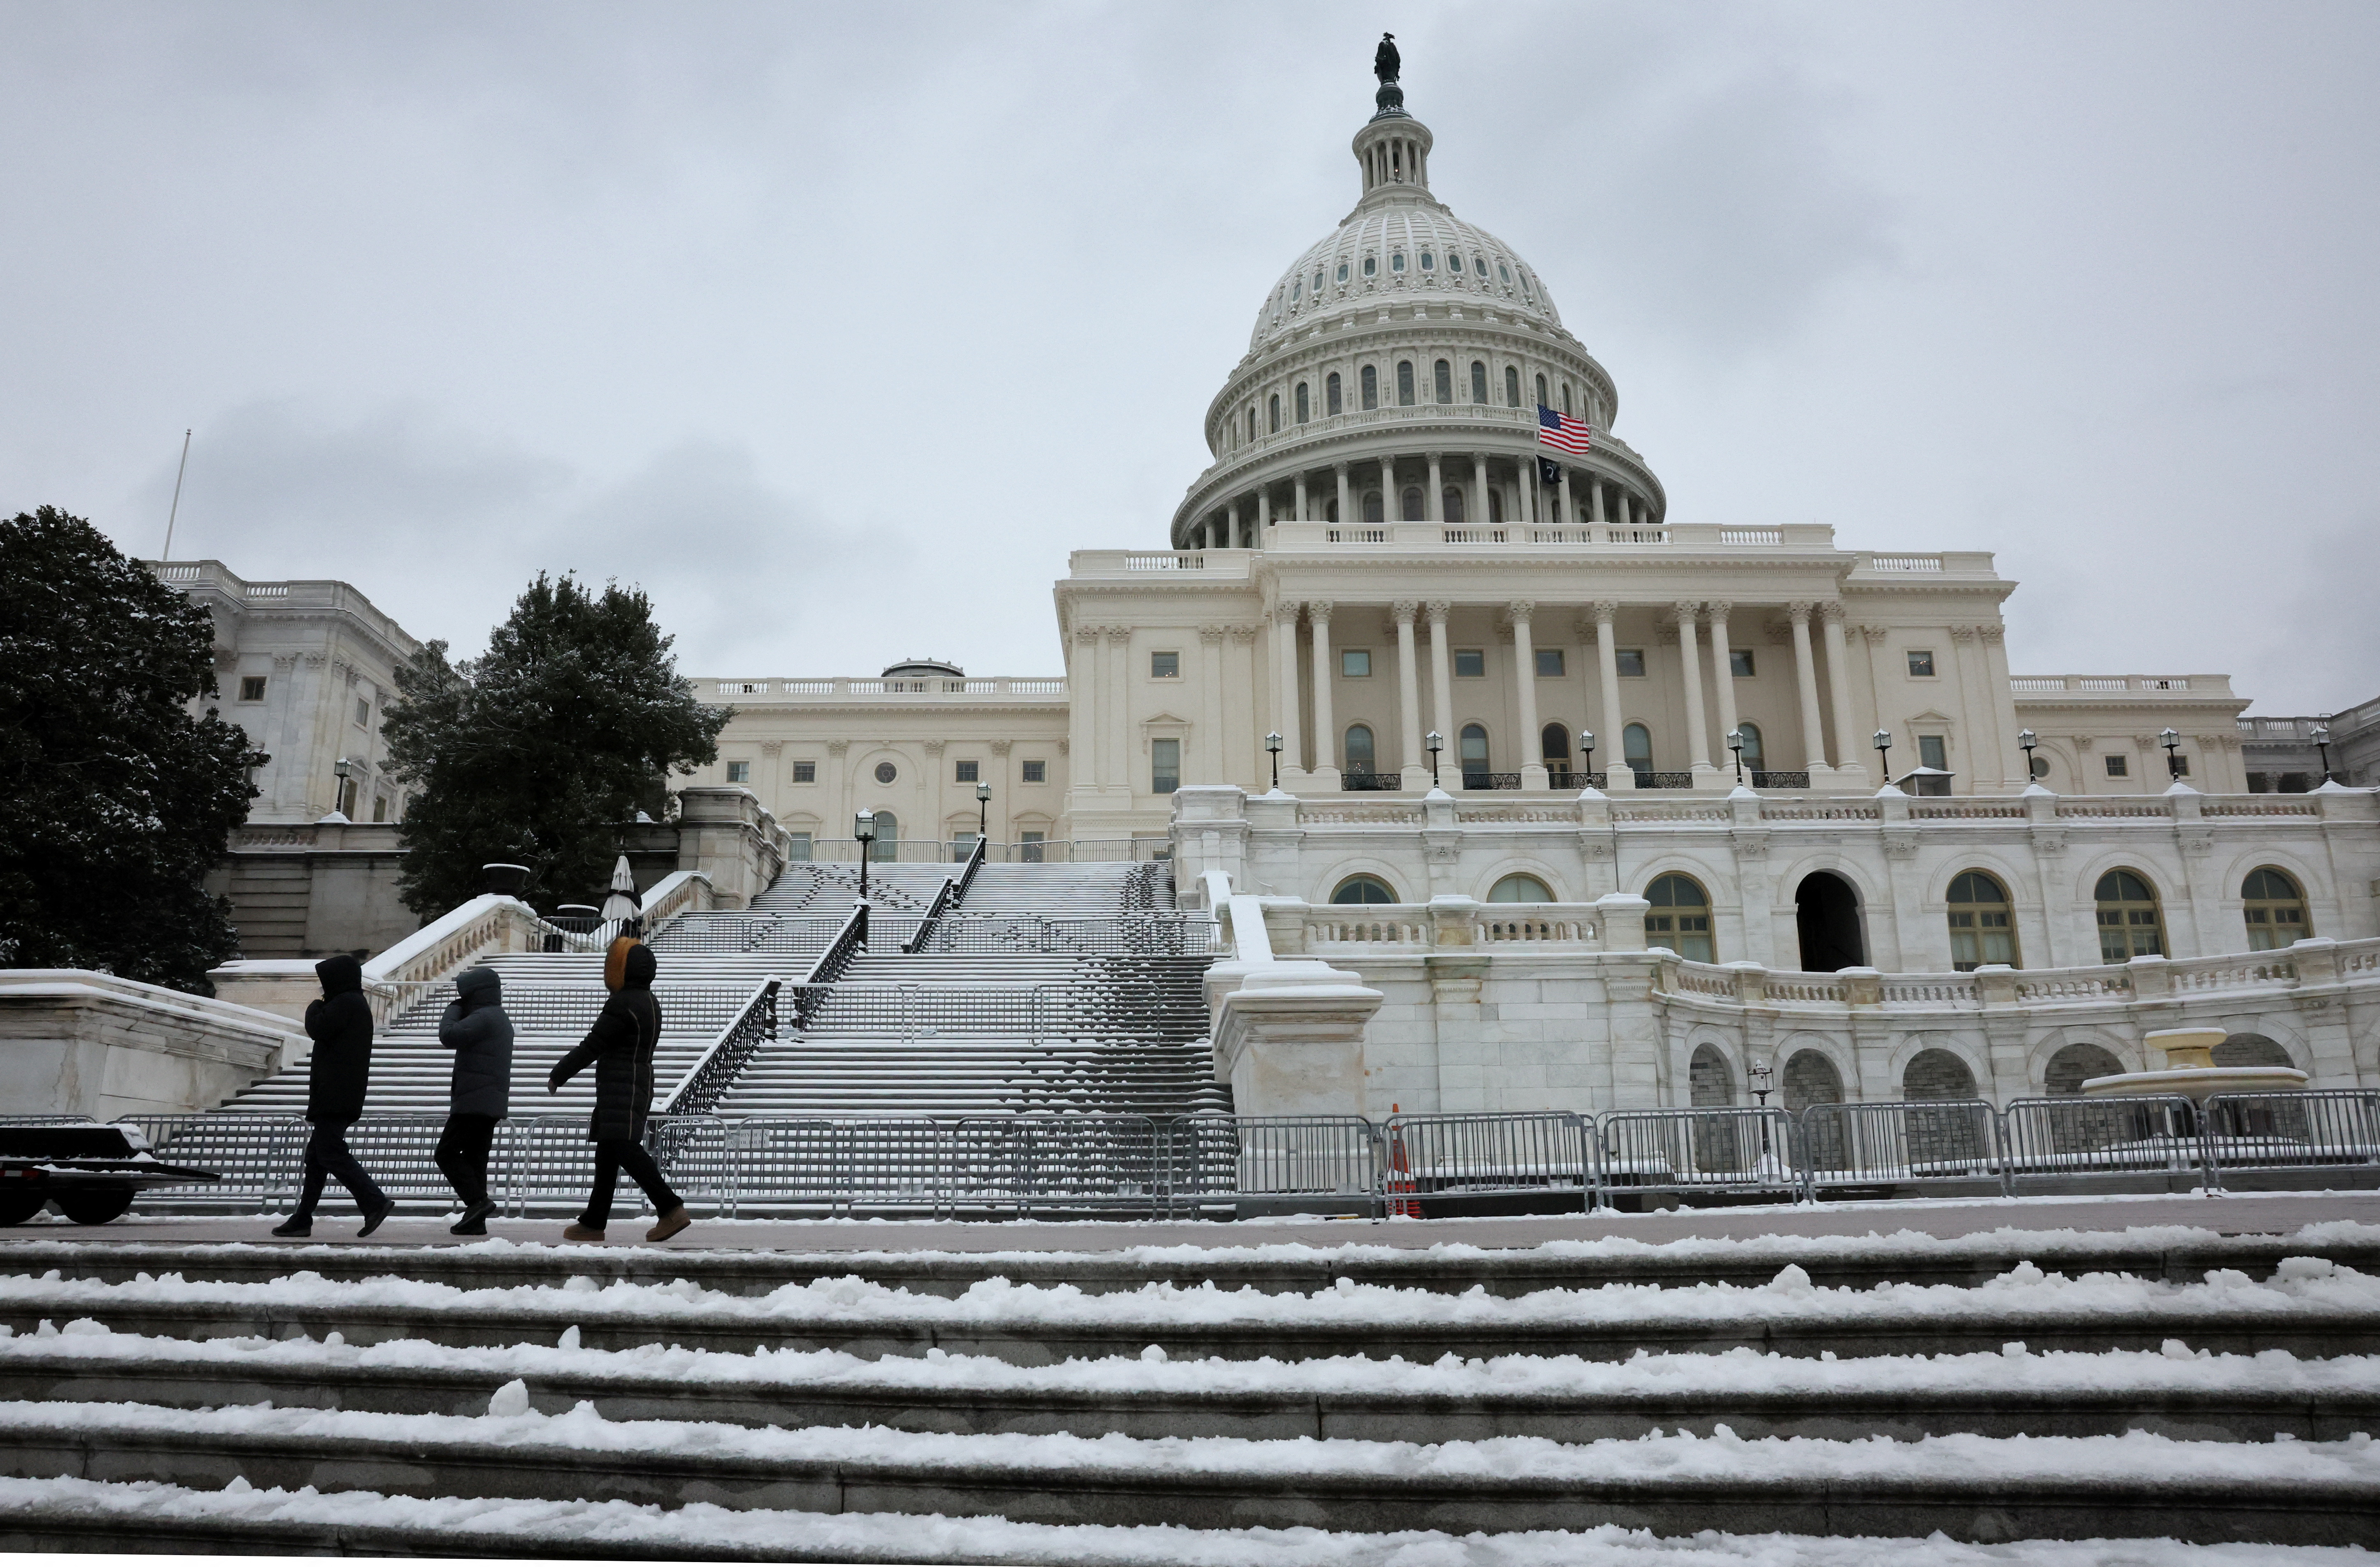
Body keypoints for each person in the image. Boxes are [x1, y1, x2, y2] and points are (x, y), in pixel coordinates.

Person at [547, 938, 690, 1243]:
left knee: (625, 1147)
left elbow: (593, 1044)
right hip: (633, 1082)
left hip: (620, 1084)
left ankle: (670, 1207)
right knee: (608, 1152)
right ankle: (594, 1220)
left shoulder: (623, 1003)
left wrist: (560, 1073)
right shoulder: (648, 1000)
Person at [272, 954, 392, 1238]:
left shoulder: (345, 1003)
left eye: (324, 983)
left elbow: (317, 1028)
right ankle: (302, 1218)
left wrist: (314, 1006)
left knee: (330, 1153)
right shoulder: (353, 1003)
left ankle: (374, 1201)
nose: (322, 989)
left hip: (336, 1094)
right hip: (339, 1092)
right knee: (316, 1158)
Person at [435, 965, 512, 1235]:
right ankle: (476, 1221)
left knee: (445, 1153)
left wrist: (454, 1008)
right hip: (487, 1102)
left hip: (473, 1100)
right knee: (474, 1159)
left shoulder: (484, 1017)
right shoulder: (497, 1016)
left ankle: (478, 1202)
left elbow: (448, 1036)